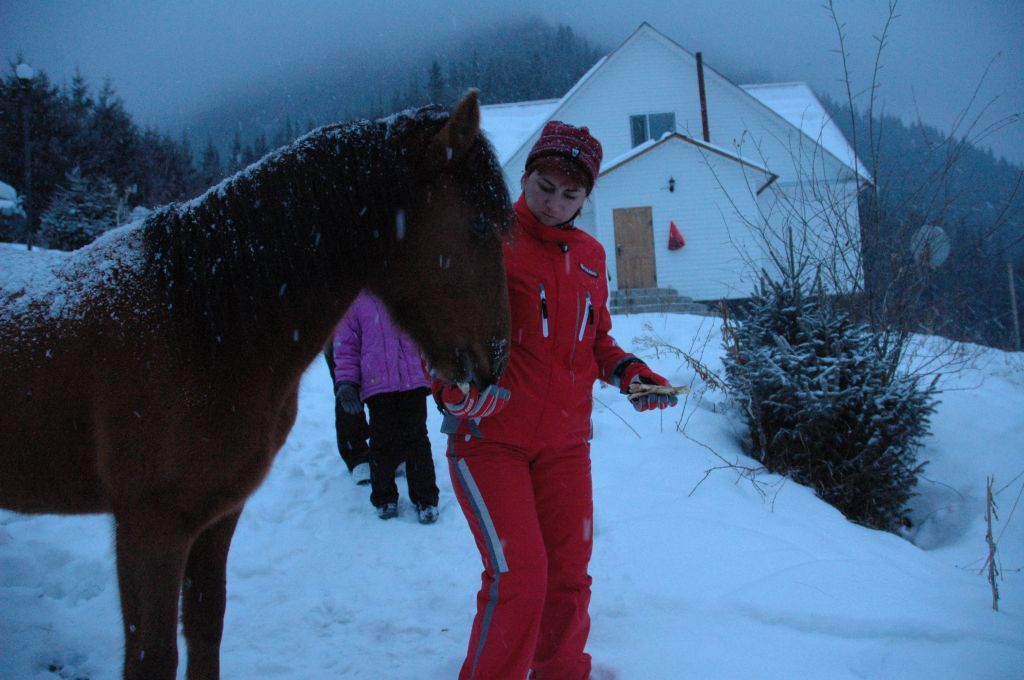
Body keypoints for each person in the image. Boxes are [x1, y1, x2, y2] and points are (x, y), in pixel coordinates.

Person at [433, 121, 678, 680]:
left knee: (569, 575)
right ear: (524, 178)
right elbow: (443, 334)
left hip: (566, 445)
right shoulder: (487, 240)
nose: (554, 203)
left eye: (571, 194)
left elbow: (596, 341)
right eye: (545, 187)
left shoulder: (590, 255)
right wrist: (452, 389)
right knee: (519, 576)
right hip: (490, 440)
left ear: (585, 198)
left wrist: (632, 374)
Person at [333, 291, 440, 523]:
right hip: (377, 384)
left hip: (413, 380)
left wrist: (438, 364)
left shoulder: (409, 288)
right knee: (382, 442)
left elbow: (432, 330)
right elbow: (346, 346)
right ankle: (384, 498)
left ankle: (426, 499)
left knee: (417, 440)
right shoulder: (357, 299)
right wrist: (347, 382)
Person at [323, 338, 372, 485]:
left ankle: (392, 443)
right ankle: (357, 453)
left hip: (382, 333)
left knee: (386, 386)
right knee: (347, 389)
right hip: (340, 337)